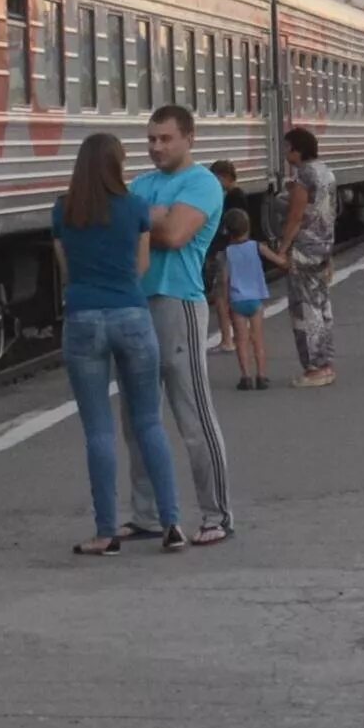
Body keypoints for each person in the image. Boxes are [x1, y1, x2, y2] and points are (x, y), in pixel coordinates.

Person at [52, 134, 185, 555]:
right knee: (149, 422)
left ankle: (106, 533)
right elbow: (141, 265)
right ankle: (172, 525)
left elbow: (66, 269)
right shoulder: (135, 207)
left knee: (99, 431)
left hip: (83, 318)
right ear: (117, 165)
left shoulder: (63, 209)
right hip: (131, 314)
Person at [130, 105, 234, 544]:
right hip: (136, 304)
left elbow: (175, 236)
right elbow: (124, 229)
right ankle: (147, 515)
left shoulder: (203, 183)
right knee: (138, 418)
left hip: (180, 304)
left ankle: (216, 515)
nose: (156, 147)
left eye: (165, 139)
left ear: (189, 138)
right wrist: (160, 216)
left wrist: (145, 219)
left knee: (194, 415)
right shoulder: (141, 183)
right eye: (151, 139)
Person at [266, 125, 339, 388]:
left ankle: (314, 367)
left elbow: (296, 217)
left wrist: (283, 249)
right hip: (323, 246)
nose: (285, 153)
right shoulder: (326, 171)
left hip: (304, 250)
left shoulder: (303, 176)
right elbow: (329, 213)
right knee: (321, 307)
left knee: (305, 309)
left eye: (287, 148)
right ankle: (326, 363)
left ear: (297, 149)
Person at [203, 160, 249, 355]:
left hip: (226, 252)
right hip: (235, 252)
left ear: (223, 177)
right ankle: (240, 338)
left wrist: (213, 250)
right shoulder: (238, 196)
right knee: (234, 296)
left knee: (221, 297)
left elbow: (225, 227)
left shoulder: (232, 198)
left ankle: (227, 340)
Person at [223, 211, 270, 390]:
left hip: (237, 301)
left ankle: (246, 377)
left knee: (241, 341)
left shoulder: (228, 252)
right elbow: (277, 260)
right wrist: (287, 262)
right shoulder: (257, 246)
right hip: (255, 301)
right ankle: (262, 376)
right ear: (248, 227)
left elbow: (224, 280)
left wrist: (227, 302)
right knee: (257, 339)